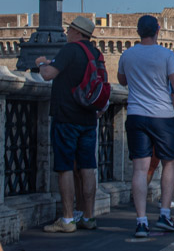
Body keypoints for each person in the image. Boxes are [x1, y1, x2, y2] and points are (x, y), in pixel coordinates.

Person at [117, 15, 174, 237]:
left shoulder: (127, 55)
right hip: (162, 116)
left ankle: (141, 221)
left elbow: (121, 80)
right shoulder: (166, 54)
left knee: (140, 168)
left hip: (136, 114)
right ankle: (165, 214)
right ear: (157, 30)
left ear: (138, 32)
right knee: (168, 164)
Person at [36, 16, 106, 233]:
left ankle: (67, 219)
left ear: (76, 32)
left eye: (69, 30)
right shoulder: (95, 53)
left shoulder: (70, 50)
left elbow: (48, 75)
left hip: (66, 118)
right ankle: (88, 216)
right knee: (87, 168)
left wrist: (40, 63)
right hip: (88, 118)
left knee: (65, 167)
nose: (66, 33)